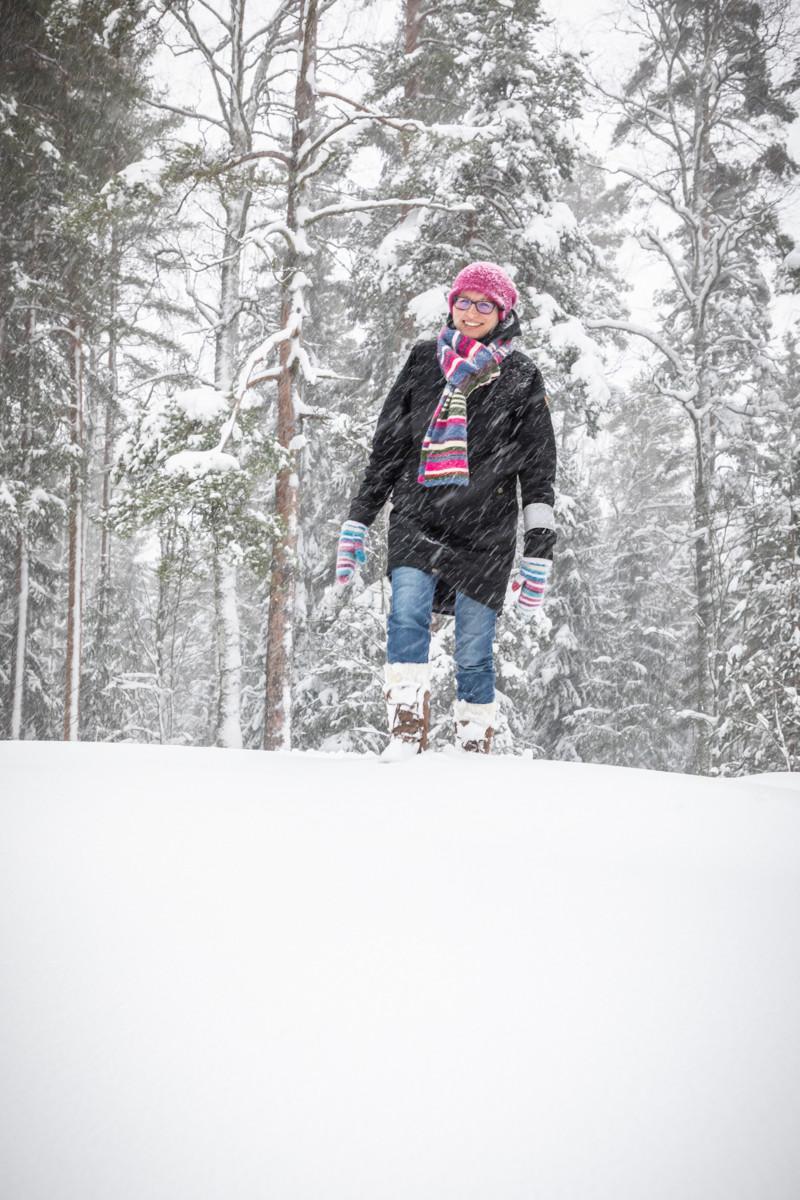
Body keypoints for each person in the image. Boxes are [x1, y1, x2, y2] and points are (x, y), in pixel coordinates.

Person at [335, 260, 557, 760]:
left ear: (503, 313)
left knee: (474, 653)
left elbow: (539, 470)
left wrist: (538, 550)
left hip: (486, 532)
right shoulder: (422, 361)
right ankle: (404, 737)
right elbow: (388, 450)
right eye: (464, 301)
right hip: (419, 515)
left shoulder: (520, 377)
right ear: (451, 305)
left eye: (485, 304)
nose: (472, 311)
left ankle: (473, 750)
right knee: (406, 617)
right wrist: (358, 522)